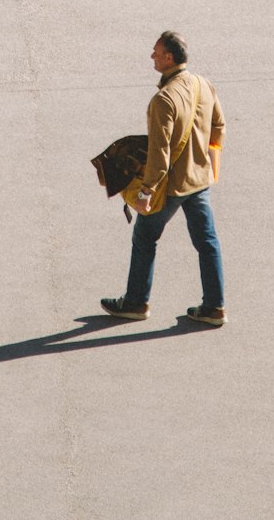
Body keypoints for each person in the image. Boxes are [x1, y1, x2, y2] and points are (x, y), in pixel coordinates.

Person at [101, 31, 227, 327]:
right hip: (200, 181)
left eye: (156, 52)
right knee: (207, 243)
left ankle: (135, 303)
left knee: (144, 237)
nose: (152, 56)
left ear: (169, 58)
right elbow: (218, 125)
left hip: (171, 185)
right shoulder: (203, 85)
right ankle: (215, 307)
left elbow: (160, 151)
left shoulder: (163, 100)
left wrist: (146, 190)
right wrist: (209, 166)